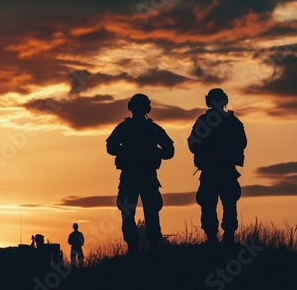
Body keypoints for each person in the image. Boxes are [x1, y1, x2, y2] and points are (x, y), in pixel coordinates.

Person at [106, 94, 174, 255]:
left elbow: (111, 148)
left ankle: (133, 249)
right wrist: (154, 153)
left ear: (130, 107)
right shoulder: (153, 128)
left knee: (128, 214)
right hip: (148, 177)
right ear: (147, 108)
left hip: (129, 178)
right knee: (151, 213)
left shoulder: (123, 128)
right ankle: (153, 248)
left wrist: (126, 151)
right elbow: (169, 151)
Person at [187, 88, 247, 246]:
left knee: (209, 205)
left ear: (208, 101)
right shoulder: (233, 122)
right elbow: (243, 143)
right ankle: (227, 238)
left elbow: (192, 145)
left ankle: (213, 239)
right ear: (224, 101)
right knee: (227, 204)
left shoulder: (204, 121)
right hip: (226, 171)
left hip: (211, 172)